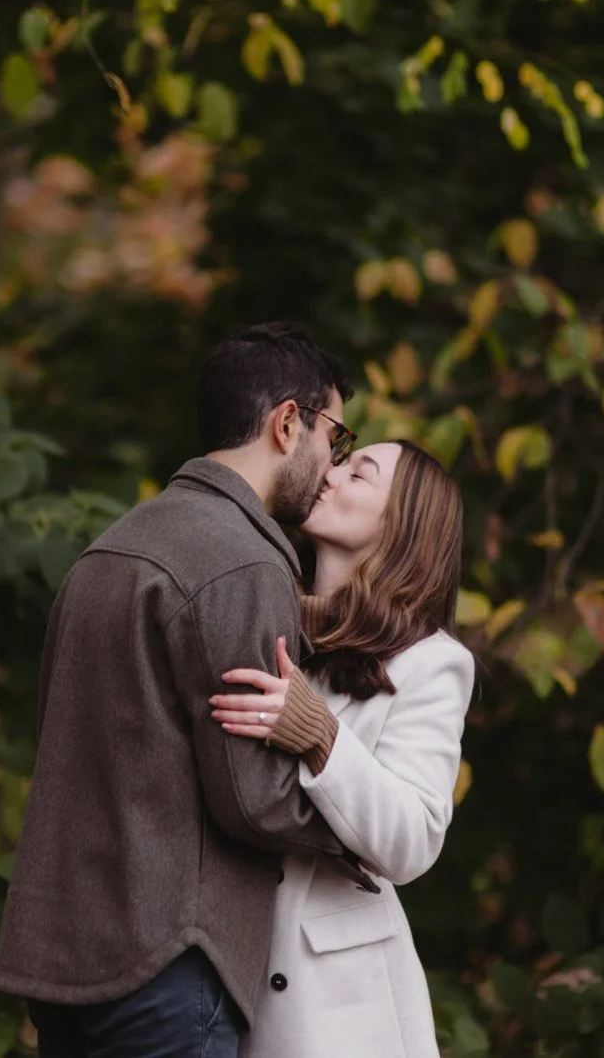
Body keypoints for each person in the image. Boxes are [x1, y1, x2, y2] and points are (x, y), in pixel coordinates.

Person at [0, 322, 371, 1058]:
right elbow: (253, 795)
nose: (331, 466)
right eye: (336, 435)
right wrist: (365, 836)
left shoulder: (109, 549)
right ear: (287, 423)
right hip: (167, 962)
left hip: (64, 962)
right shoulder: (244, 560)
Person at [206, 439, 475, 1058]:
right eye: (342, 460)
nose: (329, 473)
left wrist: (322, 736)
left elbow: (414, 838)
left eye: (361, 472)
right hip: (225, 986)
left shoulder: (432, 662)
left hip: (341, 1012)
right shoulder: (258, 616)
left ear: (402, 521)